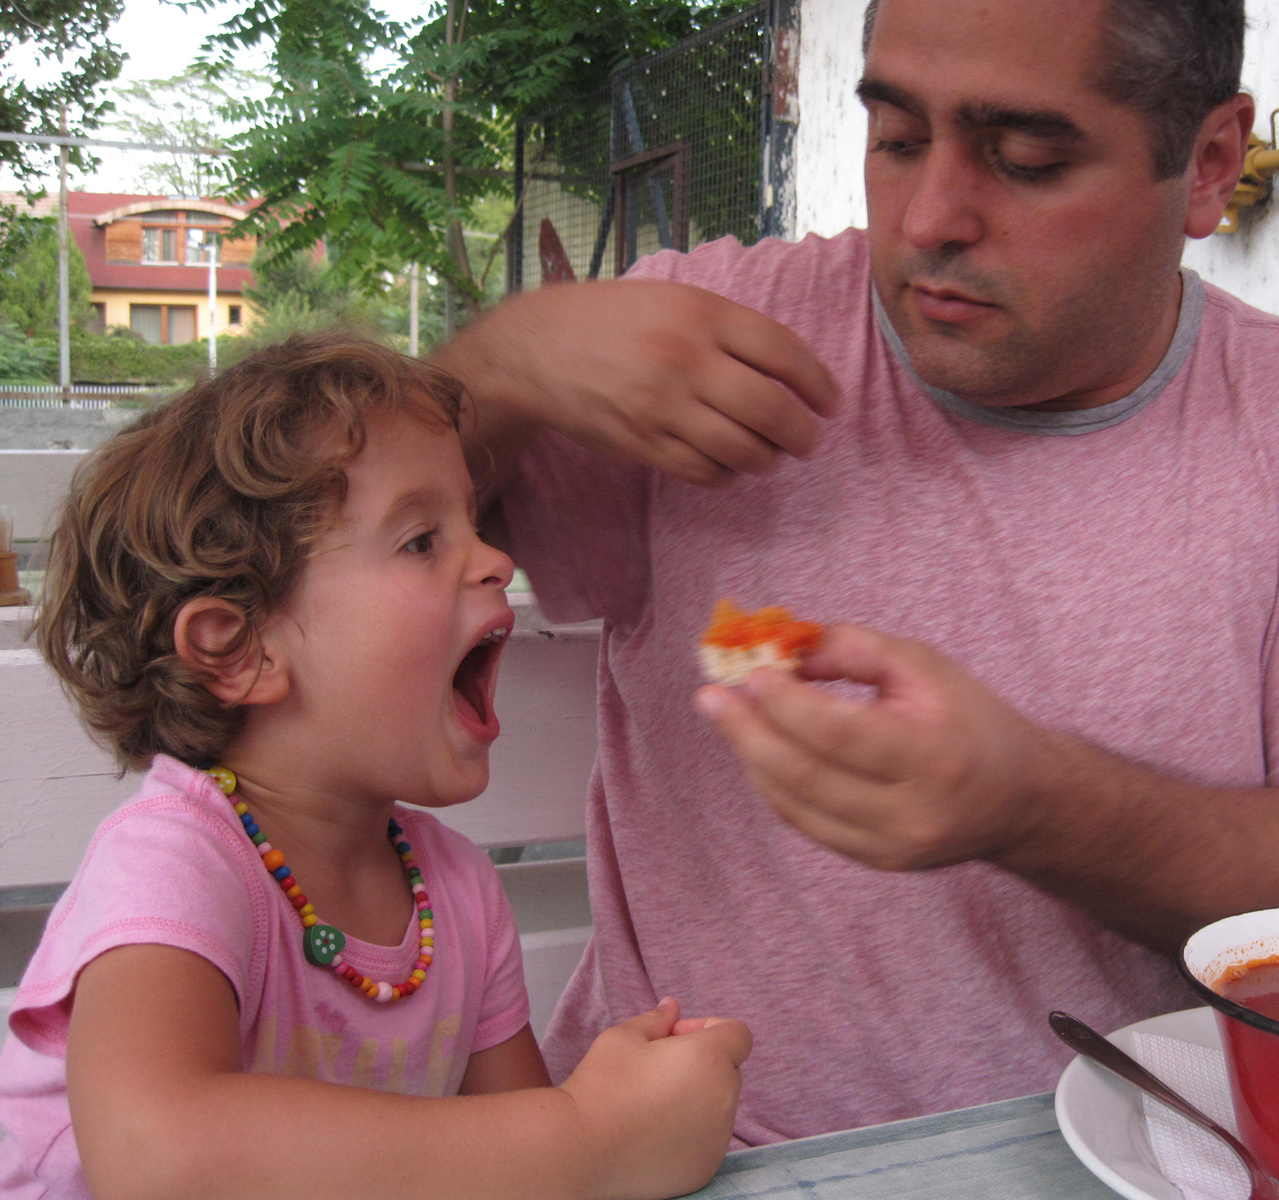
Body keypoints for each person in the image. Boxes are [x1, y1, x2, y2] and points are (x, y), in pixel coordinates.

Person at [434, 0, 1279, 1144]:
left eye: (1026, 160)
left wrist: (1036, 808)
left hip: (1128, 1155)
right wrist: (494, 372)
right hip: (690, 1156)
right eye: (895, 139)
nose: (929, 218)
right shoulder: (706, 339)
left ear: (1206, 166)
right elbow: (262, 580)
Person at [0, 336, 751, 1200]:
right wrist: (589, 1135)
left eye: (476, 523)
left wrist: (623, 1125)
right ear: (239, 649)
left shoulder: (457, 896)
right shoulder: (174, 865)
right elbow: (155, 1155)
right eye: (423, 539)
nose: (496, 561)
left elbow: (529, 1169)